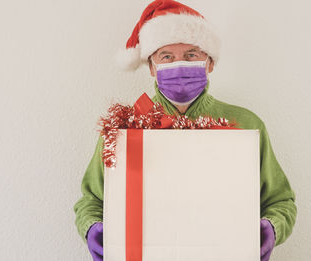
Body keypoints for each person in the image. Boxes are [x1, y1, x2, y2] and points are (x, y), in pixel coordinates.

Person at [73, 1, 297, 261]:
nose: (179, 64)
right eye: (166, 56)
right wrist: (91, 227)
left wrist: (273, 226)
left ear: (210, 62)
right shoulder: (124, 128)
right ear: (152, 67)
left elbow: (280, 201)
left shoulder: (246, 124)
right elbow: (91, 200)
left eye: (192, 54)